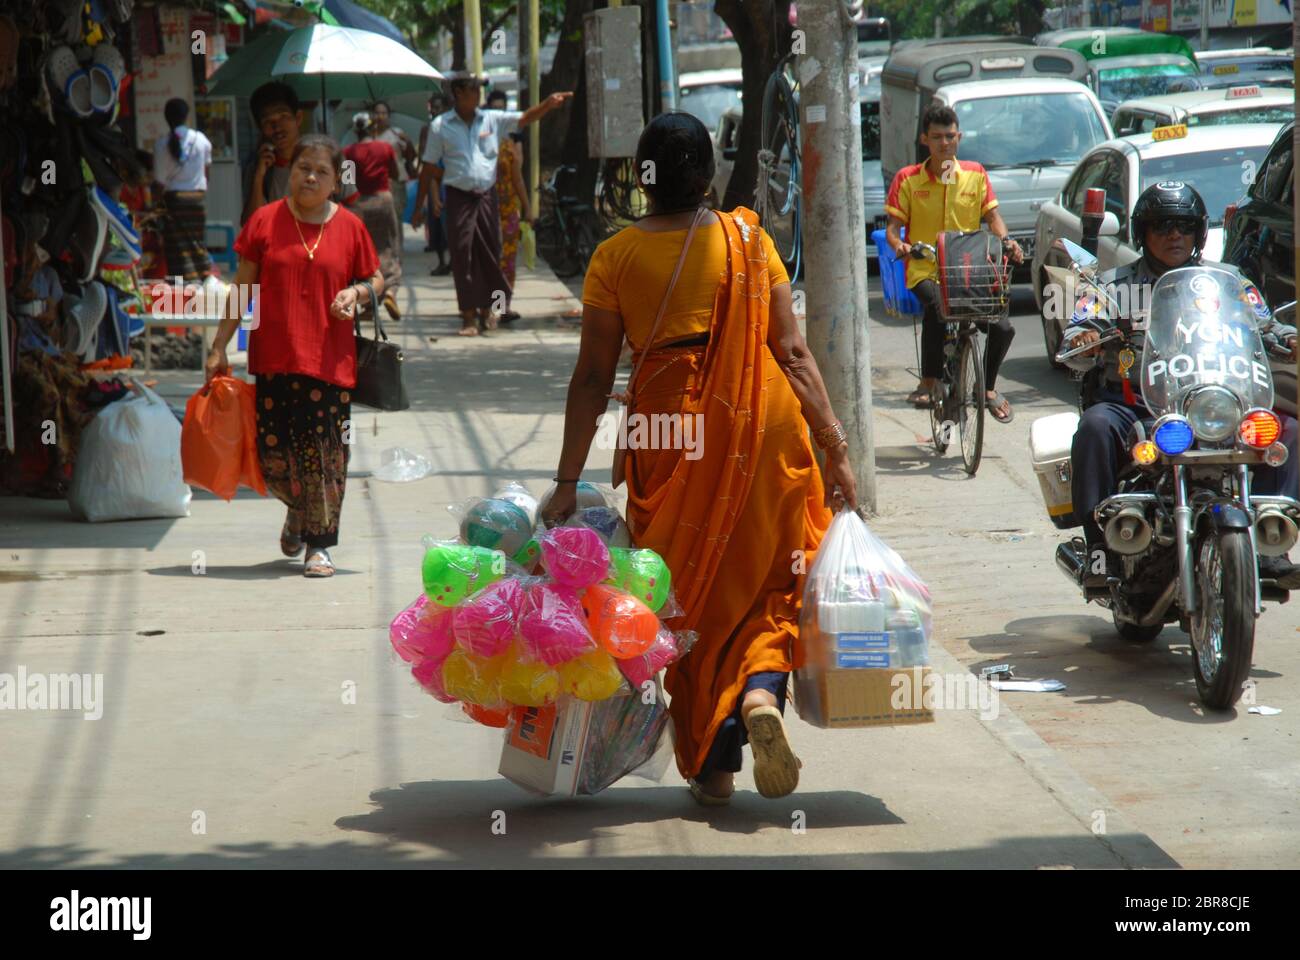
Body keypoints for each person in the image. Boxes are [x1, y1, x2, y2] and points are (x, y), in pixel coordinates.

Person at [539, 112, 858, 806]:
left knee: (687, 601)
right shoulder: (748, 237)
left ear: (640, 182)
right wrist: (835, 449)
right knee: (771, 588)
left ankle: (715, 769)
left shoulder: (615, 257)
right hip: (765, 425)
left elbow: (592, 379)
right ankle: (759, 695)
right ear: (708, 174)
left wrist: (568, 482)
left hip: (668, 430)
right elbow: (795, 354)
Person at [1061, 181, 1300, 588]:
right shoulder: (1113, 284)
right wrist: (1084, 337)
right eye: (1163, 225)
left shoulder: (1228, 280)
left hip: (1214, 402)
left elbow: (1264, 324)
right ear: (1143, 233)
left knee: (1287, 432)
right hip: (1137, 405)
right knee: (1094, 427)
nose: (1174, 235)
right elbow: (1079, 328)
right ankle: (1100, 545)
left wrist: (1287, 338)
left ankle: (1270, 539)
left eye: (1184, 226)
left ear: (1198, 233)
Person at [207, 134, 383, 578]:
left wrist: (357, 292)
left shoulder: (350, 226)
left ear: (335, 181)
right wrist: (218, 346)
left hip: (329, 363)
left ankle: (319, 546)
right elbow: (242, 288)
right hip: (272, 359)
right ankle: (297, 512)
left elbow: (377, 278)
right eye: (304, 166)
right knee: (274, 458)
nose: (310, 176)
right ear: (290, 171)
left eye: (322, 171)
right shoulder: (264, 222)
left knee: (324, 457)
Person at [885, 103, 1024, 423]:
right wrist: (901, 246)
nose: (945, 144)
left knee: (1003, 328)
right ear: (925, 140)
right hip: (925, 268)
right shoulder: (907, 180)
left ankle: (987, 389)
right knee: (937, 307)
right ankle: (929, 381)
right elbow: (892, 230)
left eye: (950, 136)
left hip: (967, 270)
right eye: (937, 138)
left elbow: (993, 218)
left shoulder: (975, 174)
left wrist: (1006, 242)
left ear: (959, 137)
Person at [412, 73, 572, 336]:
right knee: (462, 254)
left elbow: (523, 118)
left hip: (487, 196)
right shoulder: (441, 126)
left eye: (479, 91)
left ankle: (488, 310)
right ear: (459, 94)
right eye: (473, 91)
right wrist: (421, 207)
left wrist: (547, 105)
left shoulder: (491, 119)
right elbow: (428, 169)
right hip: (458, 196)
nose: (478, 96)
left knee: (491, 252)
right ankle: (468, 316)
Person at [342, 112, 402, 321]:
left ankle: (367, 304)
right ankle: (390, 291)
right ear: (373, 129)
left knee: (363, 252)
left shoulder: (347, 152)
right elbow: (395, 173)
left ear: (355, 131)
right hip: (383, 200)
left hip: (357, 205)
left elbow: (345, 182)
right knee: (387, 246)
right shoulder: (384, 148)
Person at [152, 98, 213, 282]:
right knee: (197, 243)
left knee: (176, 247)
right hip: (197, 200)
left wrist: (155, 206)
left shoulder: (161, 145)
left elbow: (159, 183)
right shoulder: (202, 140)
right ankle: (202, 280)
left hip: (174, 202)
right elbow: (206, 174)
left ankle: (182, 286)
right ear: (186, 116)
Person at [486, 91, 531, 324]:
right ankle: (488, 307)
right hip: (484, 211)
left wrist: (527, 207)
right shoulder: (481, 146)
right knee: (490, 260)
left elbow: (518, 179)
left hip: (507, 212)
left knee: (507, 261)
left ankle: (501, 307)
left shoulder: (509, 147)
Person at [371, 100, 415, 318]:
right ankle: (386, 291)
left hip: (393, 191)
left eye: (383, 112)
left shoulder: (397, 135)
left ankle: (384, 292)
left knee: (393, 236)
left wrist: (409, 148)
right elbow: (347, 169)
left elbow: (410, 160)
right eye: (376, 113)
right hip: (372, 195)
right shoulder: (364, 139)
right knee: (376, 241)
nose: (380, 116)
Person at [242, 82, 303, 225]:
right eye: (268, 121)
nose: (277, 127)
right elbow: (249, 224)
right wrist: (258, 178)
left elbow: (351, 202)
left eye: (283, 116)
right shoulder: (256, 169)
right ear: (260, 128)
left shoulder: (335, 159)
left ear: (298, 118)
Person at [418, 94, 450, 273]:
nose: (436, 111)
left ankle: (453, 261)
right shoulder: (427, 129)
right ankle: (441, 261)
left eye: (439, 107)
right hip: (433, 178)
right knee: (435, 222)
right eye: (433, 107)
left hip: (449, 178)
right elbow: (424, 155)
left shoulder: (450, 128)